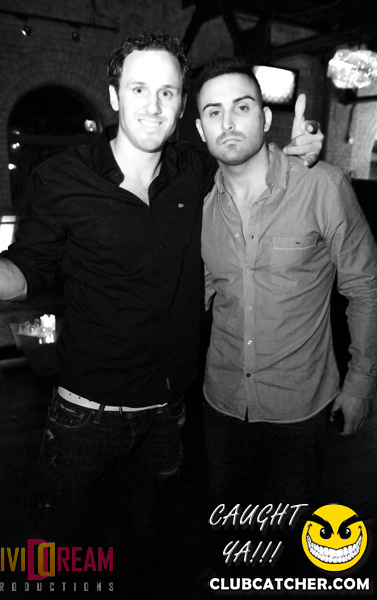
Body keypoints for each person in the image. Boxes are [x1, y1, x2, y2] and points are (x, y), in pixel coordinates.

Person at [0, 34, 322, 596]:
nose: (154, 105)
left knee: (143, 543)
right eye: (139, 89)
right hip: (86, 414)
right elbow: (23, 275)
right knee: (52, 553)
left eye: (168, 92)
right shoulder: (63, 179)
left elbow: (246, 159)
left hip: (167, 413)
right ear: (115, 96)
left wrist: (293, 152)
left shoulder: (194, 169)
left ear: (182, 104)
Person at [196, 56, 377, 566]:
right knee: (233, 539)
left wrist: (360, 384)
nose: (228, 122)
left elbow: (366, 288)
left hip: (300, 410)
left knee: (293, 547)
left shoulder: (322, 186)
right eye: (213, 112)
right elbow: (201, 295)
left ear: (265, 117)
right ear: (200, 129)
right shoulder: (201, 208)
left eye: (241, 107)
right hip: (221, 406)